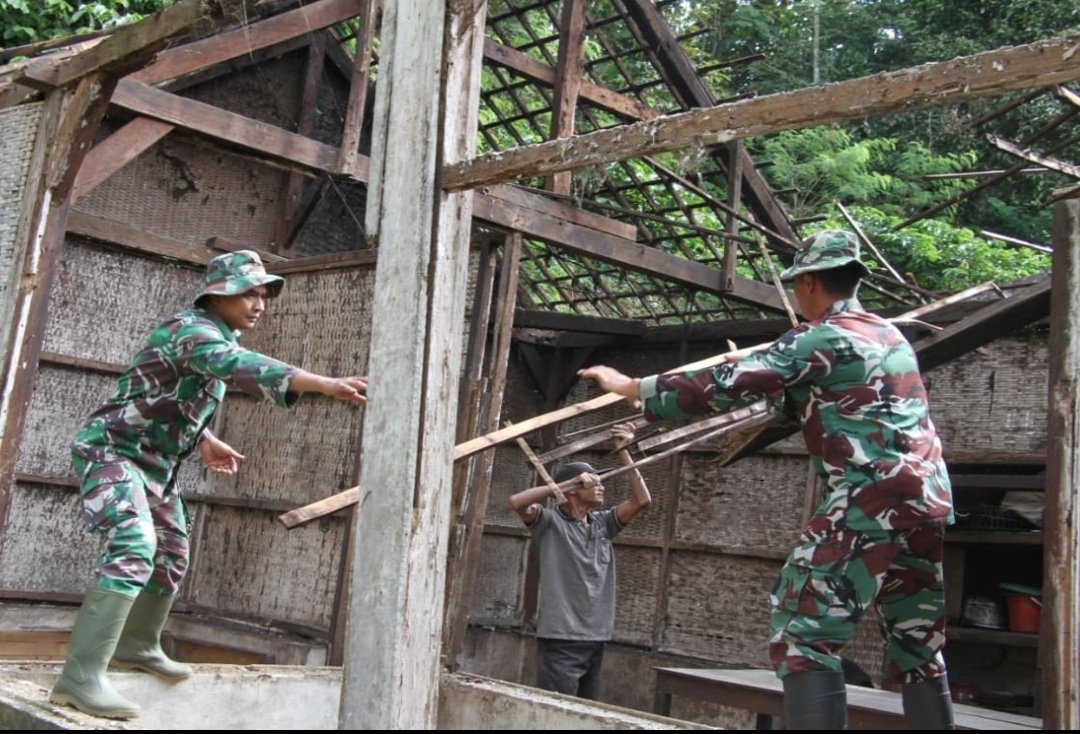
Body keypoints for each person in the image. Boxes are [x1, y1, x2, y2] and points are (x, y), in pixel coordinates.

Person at [577, 231, 956, 730]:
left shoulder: (819, 336)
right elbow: (819, 397)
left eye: (799, 285)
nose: (798, 296)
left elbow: (722, 388)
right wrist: (760, 367)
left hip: (871, 495)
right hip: (927, 496)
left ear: (812, 283)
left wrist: (631, 387)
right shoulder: (888, 334)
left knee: (804, 636)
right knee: (917, 639)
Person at [49, 250, 368, 720]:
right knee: (135, 544)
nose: (257, 304)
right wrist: (321, 383)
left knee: (172, 550)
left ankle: (136, 645)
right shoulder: (191, 332)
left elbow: (168, 395)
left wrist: (204, 439)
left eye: (262, 294)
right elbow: (235, 365)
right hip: (112, 453)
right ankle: (78, 678)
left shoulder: (215, 332)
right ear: (217, 295)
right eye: (247, 293)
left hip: (155, 464)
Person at [508, 423, 651, 700]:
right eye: (593, 481)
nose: (601, 487)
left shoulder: (603, 523)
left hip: (596, 636)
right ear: (574, 490)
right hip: (562, 637)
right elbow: (516, 503)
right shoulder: (549, 521)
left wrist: (624, 450)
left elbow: (642, 500)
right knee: (555, 713)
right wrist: (561, 486)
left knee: (584, 712)